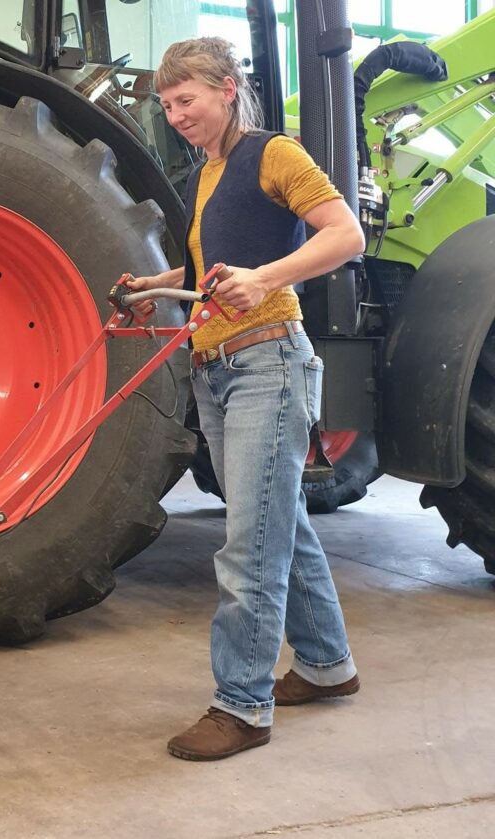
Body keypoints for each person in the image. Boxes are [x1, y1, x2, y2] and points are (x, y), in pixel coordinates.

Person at [126, 37, 366, 761]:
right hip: (217, 369)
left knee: (248, 546)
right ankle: (328, 665)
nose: (175, 115)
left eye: (186, 100)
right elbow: (207, 269)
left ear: (228, 88)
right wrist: (155, 286)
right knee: (274, 523)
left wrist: (266, 279)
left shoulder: (275, 154)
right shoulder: (210, 172)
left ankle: (242, 704)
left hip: (268, 361)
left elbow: (346, 235)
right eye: (167, 106)